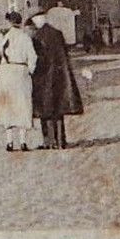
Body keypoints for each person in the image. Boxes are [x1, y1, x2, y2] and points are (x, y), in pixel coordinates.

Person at [30, 10, 84, 149]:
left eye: (34, 21)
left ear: (38, 19)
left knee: (45, 110)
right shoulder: (57, 33)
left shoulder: (37, 36)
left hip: (43, 78)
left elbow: (36, 59)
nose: (34, 24)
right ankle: (61, 141)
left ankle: (49, 141)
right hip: (60, 77)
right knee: (58, 110)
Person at [0, 13, 38, 152]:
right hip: (20, 72)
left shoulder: (2, 37)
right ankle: (23, 142)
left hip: (5, 72)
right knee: (22, 104)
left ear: (9, 22)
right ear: (20, 22)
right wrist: (30, 70)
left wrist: (2, 65)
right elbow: (33, 57)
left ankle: (9, 142)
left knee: (7, 106)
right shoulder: (25, 37)